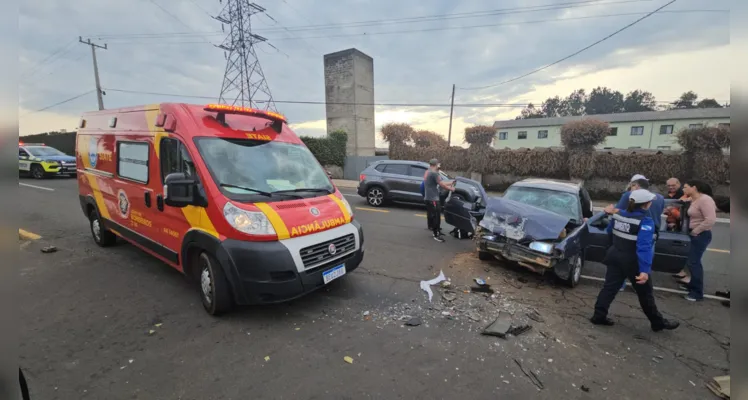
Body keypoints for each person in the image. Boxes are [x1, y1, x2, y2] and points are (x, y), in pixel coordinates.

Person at [590, 189, 680, 332]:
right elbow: (643, 247)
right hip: (633, 262)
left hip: (615, 255)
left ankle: (598, 315)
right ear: (646, 205)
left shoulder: (618, 215)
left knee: (609, 288)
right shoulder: (645, 221)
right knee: (645, 294)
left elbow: (609, 231)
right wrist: (644, 270)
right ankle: (657, 322)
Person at [680, 179, 717, 302]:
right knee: (690, 261)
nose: (683, 189)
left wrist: (695, 231)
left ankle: (697, 292)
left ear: (694, 187)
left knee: (693, 262)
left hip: (701, 235)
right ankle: (692, 286)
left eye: (685, 187)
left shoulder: (705, 200)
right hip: (694, 234)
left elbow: (710, 220)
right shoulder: (694, 199)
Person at [424, 158, 455, 242]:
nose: (439, 165)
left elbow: (441, 182)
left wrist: (452, 182)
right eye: (438, 164)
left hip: (429, 197)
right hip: (432, 198)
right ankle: (436, 234)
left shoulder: (428, 172)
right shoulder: (434, 173)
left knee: (435, 216)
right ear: (435, 165)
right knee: (436, 217)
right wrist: (451, 188)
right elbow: (442, 184)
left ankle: (437, 231)